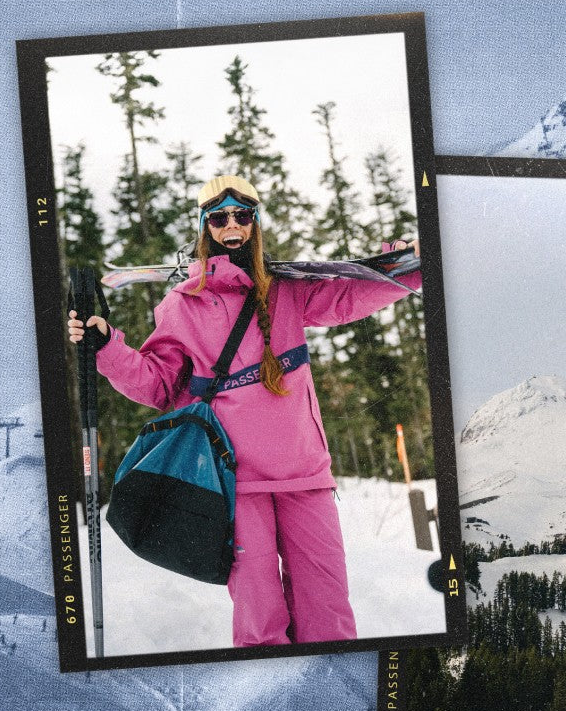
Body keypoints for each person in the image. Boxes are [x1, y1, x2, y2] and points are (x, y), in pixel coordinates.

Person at [68, 174, 421, 647]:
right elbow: (159, 384)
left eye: (242, 215)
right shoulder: (182, 305)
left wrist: (402, 269)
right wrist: (107, 347)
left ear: (254, 222)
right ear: (204, 225)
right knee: (260, 614)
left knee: (328, 608)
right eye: (219, 217)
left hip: (305, 474)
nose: (231, 225)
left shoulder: (287, 290)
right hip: (235, 480)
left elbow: (349, 297)